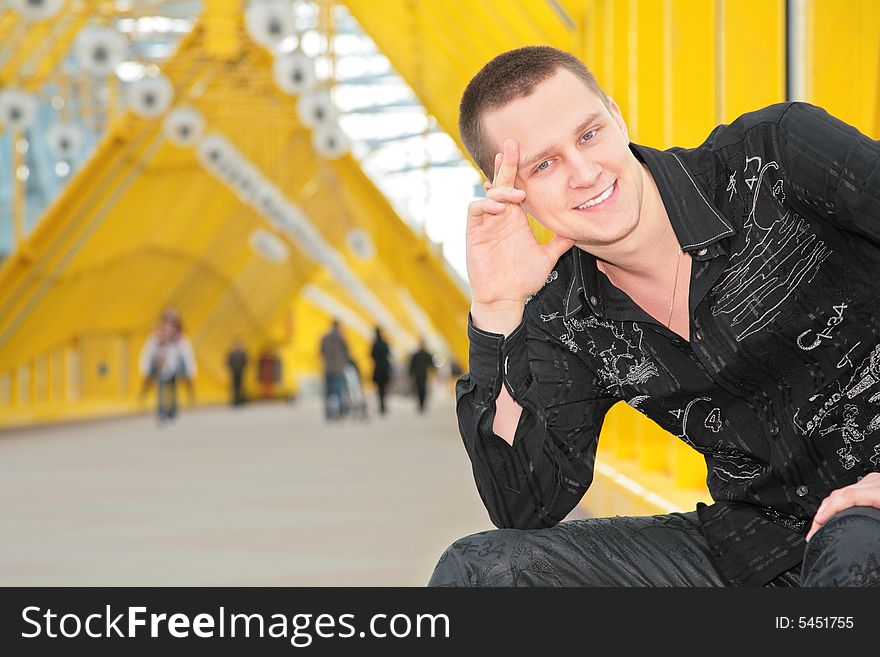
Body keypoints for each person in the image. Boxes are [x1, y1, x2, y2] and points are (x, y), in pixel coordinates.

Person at [428, 46, 880, 587]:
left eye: (589, 134)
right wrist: (499, 308)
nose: (584, 172)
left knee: (854, 551)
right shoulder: (562, 311)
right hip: (757, 548)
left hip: (864, 534)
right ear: (512, 193)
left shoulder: (774, 157)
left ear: (617, 119)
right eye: (544, 165)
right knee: (483, 576)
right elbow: (526, 505)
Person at [138, 307, 196, 425]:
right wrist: (145, 368)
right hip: (160, 368)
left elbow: (187, 356)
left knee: (172, 389)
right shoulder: (155, 338)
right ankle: (162, 411)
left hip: (173, 368)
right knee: (161, 389)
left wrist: (190, 371)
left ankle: (171, 410)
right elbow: (147, 354)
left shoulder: (181, 339)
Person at [319, 319, 350, 421]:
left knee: (328, 392)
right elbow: (347, 353)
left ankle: (328, 412)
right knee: (339, 391)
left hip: (328, 368)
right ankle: (341, 411)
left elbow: (321, 352)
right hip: (338, 369)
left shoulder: (325, 338)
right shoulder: (342, 338)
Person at [408, 340, 435, 414]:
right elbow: (432, 365)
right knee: (423, 389)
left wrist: (411, 374)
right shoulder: (427, 355)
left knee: (419, 389)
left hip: (418, 375)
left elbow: (412, 365)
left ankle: (421, 404)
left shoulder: (416, 355)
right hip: (424, 375)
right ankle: (422, 404)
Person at [370, 326, 392, 415]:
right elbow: (388, 354)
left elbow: (371, 355)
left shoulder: (374, 344)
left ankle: (381, 405)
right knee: (384, 387)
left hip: (378, 369)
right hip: (384, 368)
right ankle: (383, 405)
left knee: (379, 388)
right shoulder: (384, 343)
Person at [226, 338, 248, 407]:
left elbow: (245, 362)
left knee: (240, 387)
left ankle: (240, 400)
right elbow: (228, 362)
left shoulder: (243, 354)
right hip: (234, 372)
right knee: (234, 387)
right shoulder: (231, 354)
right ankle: (235, 400)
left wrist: (243, 369)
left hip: (241, 372)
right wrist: (231, 369)